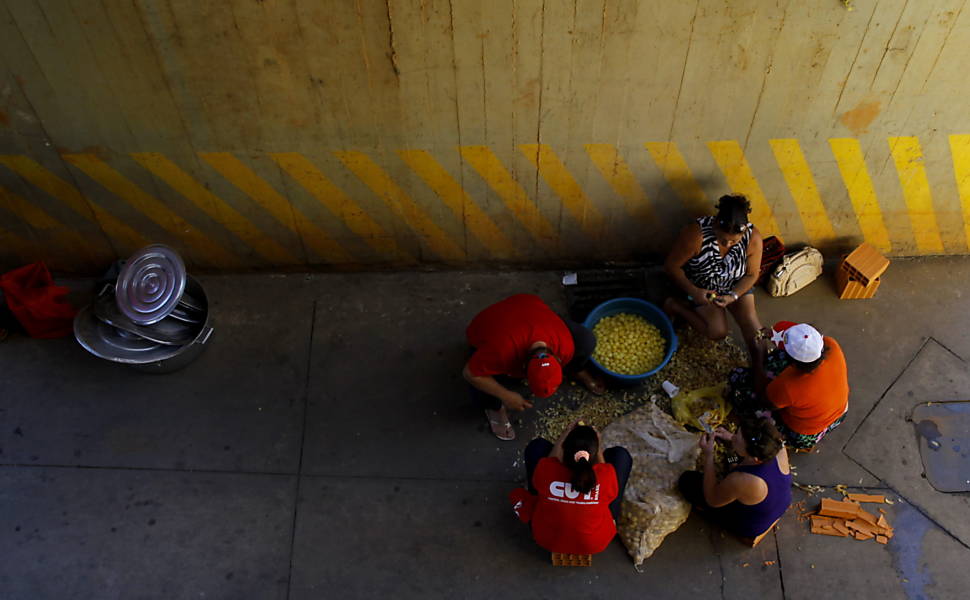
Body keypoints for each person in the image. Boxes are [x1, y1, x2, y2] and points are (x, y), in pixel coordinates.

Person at [463, 294, 605, 441]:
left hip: (528, 308)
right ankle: (494, 408)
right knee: (483, 381)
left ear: (558, 358)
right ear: (522, 366)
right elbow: (469, 373)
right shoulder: (501, 353)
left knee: (586, 341)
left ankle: (578, 371)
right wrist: (506, 396)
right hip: (489, 324)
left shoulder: (566, 346)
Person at [663, 194, 764, 356]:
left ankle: (762, 368)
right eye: (723, 240)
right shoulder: (696, 235)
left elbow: (751, 275)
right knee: (717, 331)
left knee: (755, 329)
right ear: (716, 224)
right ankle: (674, 305)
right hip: (703, 287)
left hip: (734, 285)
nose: (727, 244)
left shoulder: (753, 238)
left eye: (733, 242)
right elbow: (671, 266)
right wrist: (694, 292)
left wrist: (734, 295)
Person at [509, 423, 632, 555]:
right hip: (594, 543)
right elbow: (604, 468)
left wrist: (566, 433)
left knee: (537, 447)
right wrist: (598, 443)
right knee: (620, 455)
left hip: (547, 538)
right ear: (594, 455)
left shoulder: (547, 469)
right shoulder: (605, 475)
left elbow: (551, 459)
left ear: (564, 449)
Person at [731, 321, 849, 449]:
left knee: (738, 381)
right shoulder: (831, 345)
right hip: (839, 414)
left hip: (804, 433)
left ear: (794, 364)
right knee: (775, 360)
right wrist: (774, 335)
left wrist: (757, 359)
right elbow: (802, 339)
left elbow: (764, 400)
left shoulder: (790, 385)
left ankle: (787, 439)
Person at [678, 415, 791, 539]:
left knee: (687, 481)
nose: (734, 438)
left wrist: (708, 455)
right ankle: (735, 460)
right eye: (737, 433)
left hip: (751, 524)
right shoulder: (776, 447)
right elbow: (741, 458)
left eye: (737, 438)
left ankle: (712, 515)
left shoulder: (742, 480)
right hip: (775, 502)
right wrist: (732, 438)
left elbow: (712, 499)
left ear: (754, 458)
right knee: (731, 457)